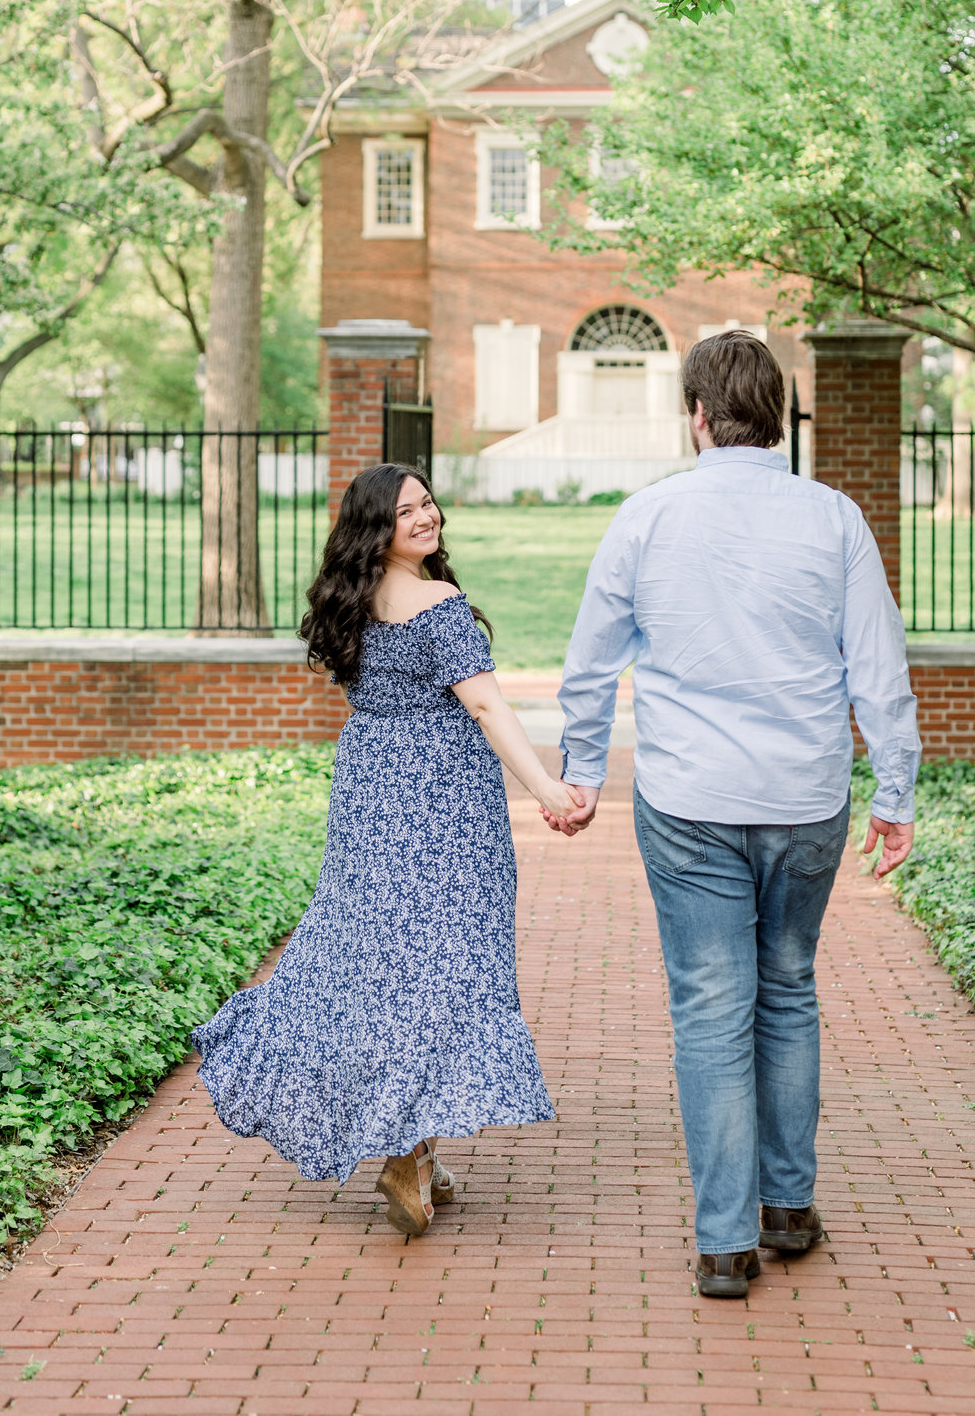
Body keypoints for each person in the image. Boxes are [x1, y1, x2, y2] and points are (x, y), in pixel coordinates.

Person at [550, 330, 921, 1298]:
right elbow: (877, 667)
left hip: (690, 799)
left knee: (713, 1008)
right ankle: (788, 1205)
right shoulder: (834, 516)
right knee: (788, 985)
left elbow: (590, 662)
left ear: (699, 414)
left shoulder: (647, 515)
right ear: (779, 411)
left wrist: (583, 769)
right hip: (805, 795)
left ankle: (725, 1241)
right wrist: (897, 792)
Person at [193, 463, 584, 1237]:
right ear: (378, 526)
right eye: (406, 511)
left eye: (428, 502)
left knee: (374, 964)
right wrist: (545, 786)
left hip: (370, 800)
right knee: (442, 967)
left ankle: (417, 1143)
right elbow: (484, 703)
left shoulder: (352, 601)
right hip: (441, 812)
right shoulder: (438, 607)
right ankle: (407, 1150)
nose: (426, 516)